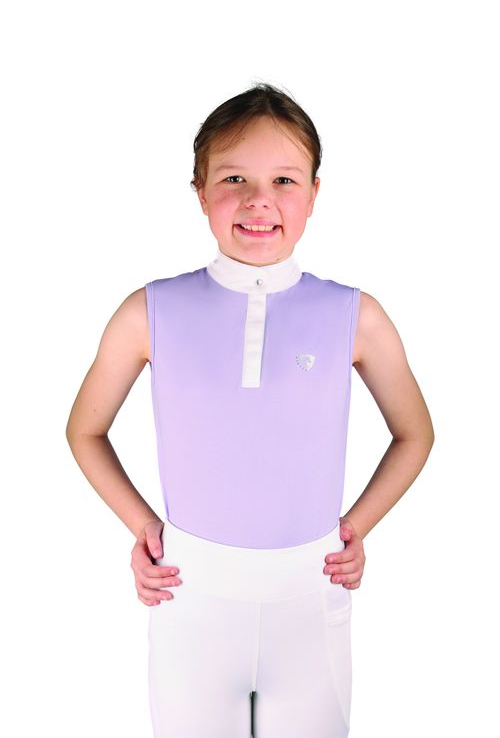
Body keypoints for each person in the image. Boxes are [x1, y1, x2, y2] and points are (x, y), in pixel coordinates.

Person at [66, 82, 434, 738]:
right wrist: (143, 527)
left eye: (284, 180)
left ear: (313, 194)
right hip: (190, 596)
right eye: (233, 178)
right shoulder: (150, 311)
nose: (258, 200)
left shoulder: (355, 315)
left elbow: (415, 433)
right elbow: (85, 429)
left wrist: (357, 527)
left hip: (311, 597)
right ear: (200, 191)